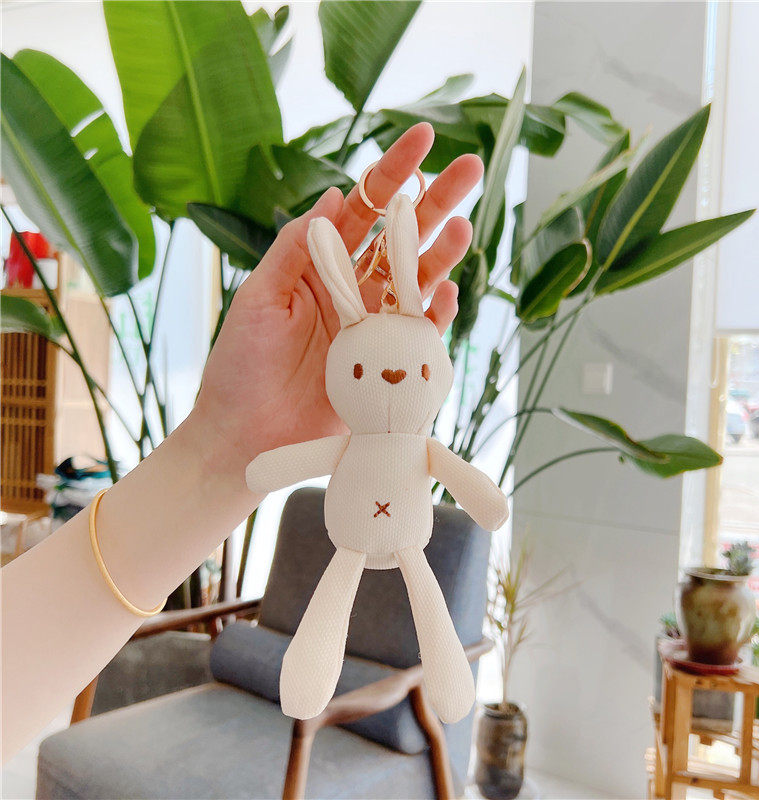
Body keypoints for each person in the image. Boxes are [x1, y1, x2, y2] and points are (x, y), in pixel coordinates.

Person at [0, 123, 482, 763]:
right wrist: (230, 451)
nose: (394, 377)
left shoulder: (398, 437)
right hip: (343, 531)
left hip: (385, 531)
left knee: (418, 589)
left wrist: (226, 451)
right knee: (339, 589)